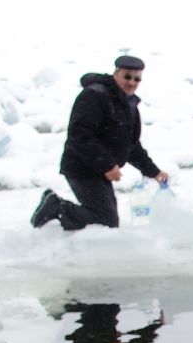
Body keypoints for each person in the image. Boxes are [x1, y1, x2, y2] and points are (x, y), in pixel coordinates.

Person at [31, 55, 169, 231]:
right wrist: (107, 165)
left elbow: (131, 146)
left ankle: (63, 215)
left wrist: (154, 172)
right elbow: (79, 135)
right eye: (127, 76)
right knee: (105, 221)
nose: (132, 82)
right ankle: (57, 206)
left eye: (137, 79)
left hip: (99, 172)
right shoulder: (94, 95)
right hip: (82, 168)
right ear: (116, 73)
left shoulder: (129, 105)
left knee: (107, 219)